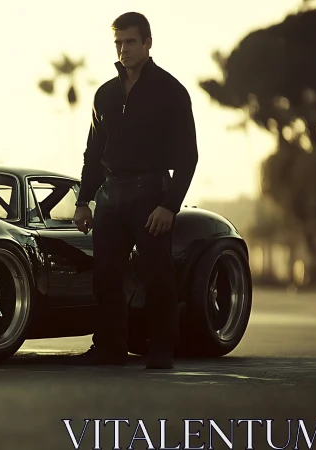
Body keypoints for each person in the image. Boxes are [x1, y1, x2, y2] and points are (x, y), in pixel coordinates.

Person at [73, 12, 198, 370]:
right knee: (106, 275)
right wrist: (84, 201)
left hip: (150, 195)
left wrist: (169, 205)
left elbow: (189, 156)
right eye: (118, 43)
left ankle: (161, 349)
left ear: (147, 43)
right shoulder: (105, 94)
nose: (123, 49)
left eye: (130, 42)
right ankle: (110, 347)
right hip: (110, 196)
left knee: (156, 273)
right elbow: (93, 153)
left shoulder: (171, 92)